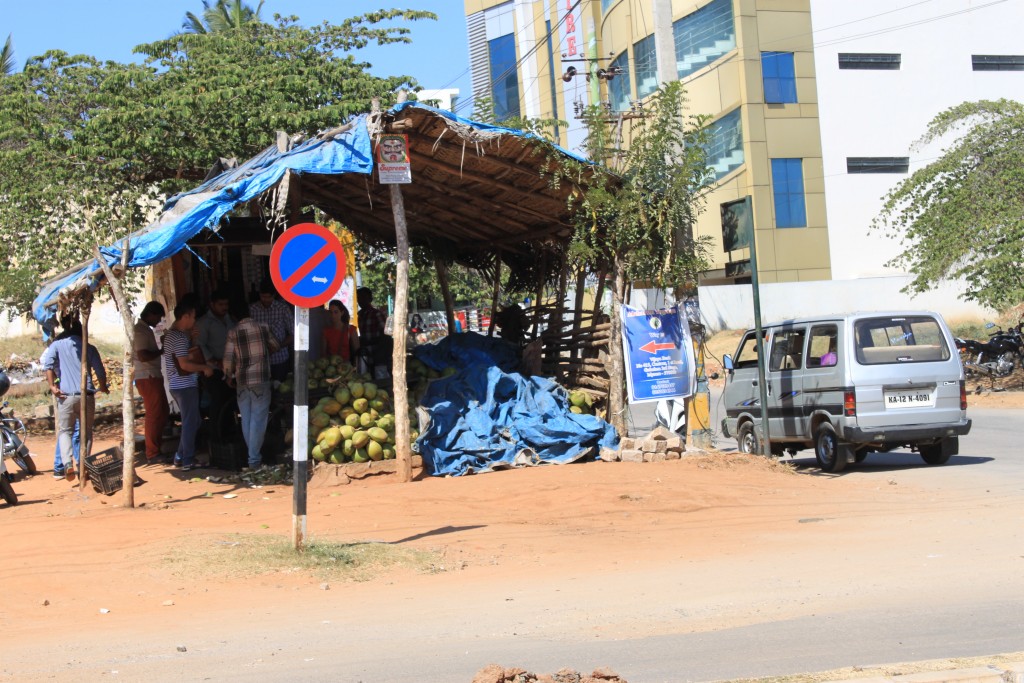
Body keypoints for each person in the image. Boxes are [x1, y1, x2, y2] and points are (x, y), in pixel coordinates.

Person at [42, 316, 108, 482]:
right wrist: (103, 386)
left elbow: (48, 366)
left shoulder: (57, 345)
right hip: (86, 396)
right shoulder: (88, 347)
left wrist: (52, 387)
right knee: (86, 432)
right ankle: (83, 464)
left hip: (66, 396)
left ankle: (66, 463)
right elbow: (100, 371)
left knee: (65, 431)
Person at [223, 309, 280, 470]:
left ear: (235, 316)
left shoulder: (233, 332)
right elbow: (276, 345)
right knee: (258, 420)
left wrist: (228, 375)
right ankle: (254, 460)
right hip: (260, 380)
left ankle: (253, 458)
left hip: (242, 381)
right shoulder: (263, 327)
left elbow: (228, 360)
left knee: (246, 420)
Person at [164, 301, 214, 471]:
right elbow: (184, 364)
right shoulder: (177, 337)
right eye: (193, 316)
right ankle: (188, 460)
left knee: (193, 421)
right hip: (184, 385)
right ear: (185, 316)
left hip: (179, 384)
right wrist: (204, 368)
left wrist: (192, 339)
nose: (194, 320)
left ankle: (180, 456)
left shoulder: (176, 335)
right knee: (190, 422)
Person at [42, 325, 81, 479]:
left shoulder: (59, 345)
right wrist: (54, 384)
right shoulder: (61, 345)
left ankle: (62, 466)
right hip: (67, 391)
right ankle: (74, 464)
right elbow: (47, 364)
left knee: (66, 430)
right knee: (72, 430)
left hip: (64, 390)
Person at [134, 301, 170, 465]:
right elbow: (143, 356)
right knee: (155, 414)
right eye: (158, 317)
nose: (158, 321)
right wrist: (161, 350)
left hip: (152, 375)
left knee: (162, 411)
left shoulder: (145, 329)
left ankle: (156, 448)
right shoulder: (140, 331)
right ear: (150, 314)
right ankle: (152, 452)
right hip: (147, 376)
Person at [196, 290, 236, 424]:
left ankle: (229, 434)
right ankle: (216, 437)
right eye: (221, 304)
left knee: (230, 401)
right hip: (214, 370)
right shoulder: (204, 323)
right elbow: (199, 345)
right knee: (218, 401)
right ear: (212, 305)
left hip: (230, 368)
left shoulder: (229, 319)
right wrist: (213, 360)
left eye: (226, 304)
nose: (224, 307)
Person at [249, 282, 293, 382]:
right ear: (259, 295)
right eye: (263, 297)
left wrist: (277, 346)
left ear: (274, 296)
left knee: (281, 388)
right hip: (259, 362)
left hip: (280, 359)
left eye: (268, 297)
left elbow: (293, 334)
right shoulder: (252, 310)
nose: (265, 300)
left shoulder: (283, 309)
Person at [356, 287, 391, 378]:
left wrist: (369, 342)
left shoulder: (377, 314)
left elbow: (386, 336)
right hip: (366, 357)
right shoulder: (359, 316)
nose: (361, 300)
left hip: (378, 357)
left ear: (370, 299)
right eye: (358, 298)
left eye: (364, 297)